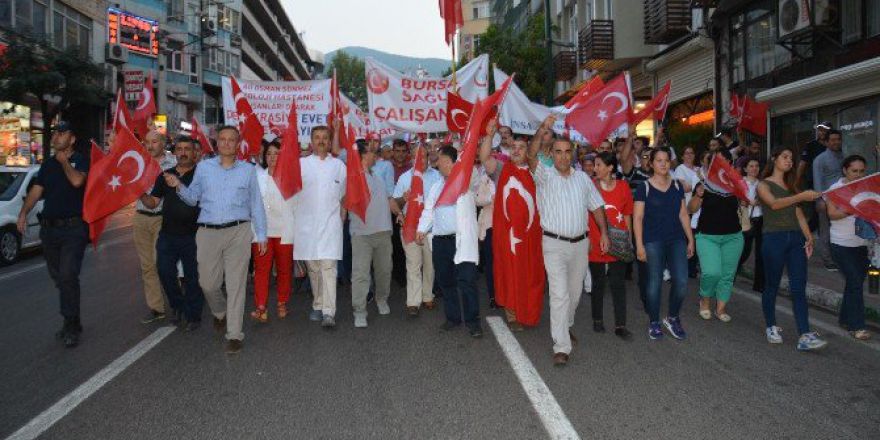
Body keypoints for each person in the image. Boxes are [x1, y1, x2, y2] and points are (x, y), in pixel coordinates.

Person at [165, 125, 268, 354]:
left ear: (237, 143)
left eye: (231, 140)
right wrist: (179, 186)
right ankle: (219, 312)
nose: (226, 143)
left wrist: (261, 234)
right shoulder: (203, 168)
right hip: (208, 231)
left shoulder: (248, 170)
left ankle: (234, 334)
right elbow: (193, 199)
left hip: (238, 231)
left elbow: (255, 204)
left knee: (236, 284)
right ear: (217, 142)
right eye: (222, 139)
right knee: (207, 283)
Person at [527, 116, 609, 366]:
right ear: (551, 154)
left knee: (574, 294)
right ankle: (561, 345)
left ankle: (566, 324)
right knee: (560, 295)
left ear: (572, 153)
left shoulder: (583, 179)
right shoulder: (544, 176)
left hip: (580, 244)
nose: (562, 156)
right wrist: (542, 131)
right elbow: (531, 157)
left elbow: (596, 207)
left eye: (566, 152)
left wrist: (604, 232)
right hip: (553, 244)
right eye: (558, 152)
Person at [17, 121, 89, 348]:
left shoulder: (81, 160)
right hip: (49, 230)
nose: (56, 136)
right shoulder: (47, 165)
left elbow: (78, 181)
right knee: (60, 278)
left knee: (67, 275)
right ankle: (74, 318)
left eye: (62, 133)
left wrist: (65, 162)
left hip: (74, 229)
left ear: (72, 138)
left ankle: (69, 325)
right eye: (55, 133)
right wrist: (23, 214)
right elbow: (36, 192)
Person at [757, 147, 827, 351]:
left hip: (795, 239)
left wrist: (808, 237)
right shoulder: (763, 184)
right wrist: (802, 196)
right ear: (774, 159)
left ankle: (804, 334)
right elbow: (775, 204)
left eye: (791, 158)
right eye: (784, 157)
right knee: (771, 285)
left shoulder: (791, 186)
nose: (789, 161)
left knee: (799, 288)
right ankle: (771, 326)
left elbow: (797, 214)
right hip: (774, 239)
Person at [417, 146, 483, 338]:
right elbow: (429, 210)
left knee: (467, 281)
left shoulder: (467, 181)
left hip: (462, 242)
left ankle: (473, 322)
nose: (438, 164)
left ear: (451, 162)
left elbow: (472, 164)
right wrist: (422, 229)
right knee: (446, 282)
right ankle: (453, 318)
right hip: (441, 242)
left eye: (441, 160)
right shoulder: (437, 186)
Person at [139, 135, 204, 331]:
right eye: (180, 149)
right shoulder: (165, 175)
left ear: (195, 153)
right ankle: (178, 306)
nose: (183, 153)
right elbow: (153, 203)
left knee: (192, 277)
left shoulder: (202, 175)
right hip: (167, 235)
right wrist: (138, 191)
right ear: (174, 152)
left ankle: (194, 315)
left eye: (188, 149)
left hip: (193, 235)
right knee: (165, 272)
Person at [633, 147, 695, 341]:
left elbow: (683, 214)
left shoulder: (677, 186)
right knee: (654, 284)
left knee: (682, 282)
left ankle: (672, 317)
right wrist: (640, 245)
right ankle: (654, 321)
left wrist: (690, 239)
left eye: (666, 160)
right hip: (653, 240)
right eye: (658, 160)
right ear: (651, 163)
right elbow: (637, 218)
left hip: (676, 239)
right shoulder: (645, 187)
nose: (663, 164)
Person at [292, 125, 346, 327]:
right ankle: (318, 303)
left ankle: (329, 313)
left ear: (330, 140)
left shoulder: (339, 166)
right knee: (314, 268)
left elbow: (345, 194)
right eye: (317, 137)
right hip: (306, 226)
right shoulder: (300, 164)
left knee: (329, 267)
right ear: (311, 141)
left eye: (325, 137)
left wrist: (342, 218)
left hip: (331, 225)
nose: (321, 141)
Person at [688, 151, 744, 323]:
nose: (723, 166)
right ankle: (704, 301)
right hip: (707, 236)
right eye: (719, 162)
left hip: (733, 236)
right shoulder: (704, 183)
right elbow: (691, 209)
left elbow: (745, 203)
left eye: (726, 162)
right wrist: (699, 194)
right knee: (711, 273)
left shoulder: (735, 185)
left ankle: (721, 308)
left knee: (727, 275)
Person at [392, 144, 442, 316]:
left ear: (429, 157)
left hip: (431, 229)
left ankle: (428, 296)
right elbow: (394, 203)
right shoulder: (405, 178)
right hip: (410, 227)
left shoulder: (438, 177)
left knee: (430, 265)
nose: (421, 159)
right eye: (417, 156)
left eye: (424, 156)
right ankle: (413, 302)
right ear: (411, 158)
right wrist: (401, 204)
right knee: (413, 265)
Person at [826, 155, 871, 340]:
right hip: (841, 244)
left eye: (861, 171)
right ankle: (857, 326)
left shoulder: (868, 188)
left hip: (861, 244)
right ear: (845, 170)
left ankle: (845, 318)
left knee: (855, 283)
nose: (858, 174)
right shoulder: (835, 190)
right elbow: (832, 214)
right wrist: (853, 208)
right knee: (854, 282)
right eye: (854, 171)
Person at [249, 141, 295, 323]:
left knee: (284, 269)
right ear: (264, 157)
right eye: (269, 154)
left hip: (284, 231)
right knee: (262, 270)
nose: (273, 157)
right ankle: (261, 306)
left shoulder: (290, 177)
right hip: (262, 232)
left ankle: (282, 302)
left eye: (277, 153)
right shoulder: (257, 176)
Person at [589, 152, 633, 340]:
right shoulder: (590, 186)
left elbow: (627, 214)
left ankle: (620, 325)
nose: (595, 168)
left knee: (618, 284)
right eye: (594, 165)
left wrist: (628, 239)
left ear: (610, 168)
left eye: (599, 165)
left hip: (618, 242)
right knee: (598, 283)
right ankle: (597, 319)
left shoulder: (623, 187)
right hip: (596, 240)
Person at [349, 142, 394, 328]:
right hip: (362, 234)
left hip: (383, 231)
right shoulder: (351, 177)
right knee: (360, 274)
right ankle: (359, 310)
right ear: (362, 155)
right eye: (371, 151)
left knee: (384, 270)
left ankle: (381, 298)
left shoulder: (378, 177)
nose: (375, 154)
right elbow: (344, 201)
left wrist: (400, 213)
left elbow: (388, 201)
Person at [135, 130, 177, 324]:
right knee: (147, 266)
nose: (150, 145)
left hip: (163, 218)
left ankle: (176, 301)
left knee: (162, 263)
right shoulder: (137, 163)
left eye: (154, 142)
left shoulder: (173, 163)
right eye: (147, 142)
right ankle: (156, 307)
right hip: (141, 217)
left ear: (163, 143)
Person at [812, 129, 844, 271]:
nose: (836, 142)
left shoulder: (843, 156)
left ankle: (839, 257)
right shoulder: (820, 159)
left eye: (838, 139)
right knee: (825, 231)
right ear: (826, 142)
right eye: (833, 140)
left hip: (843, 200)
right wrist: (820, 200)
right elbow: (817, 181)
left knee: (840, 229)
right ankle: (827, 260)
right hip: (826, 200)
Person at [738, 158, 765, 293]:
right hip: (745, 220)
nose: (754, 168)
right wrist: (748, 201)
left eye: (756, 166)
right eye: (751, 166)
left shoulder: (763, 184)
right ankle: (729, 275)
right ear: (745, 169)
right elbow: (737, 201)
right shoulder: (740, 182)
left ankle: (759, 284)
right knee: (743, 251)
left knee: (760, 253)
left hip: (760, 219)